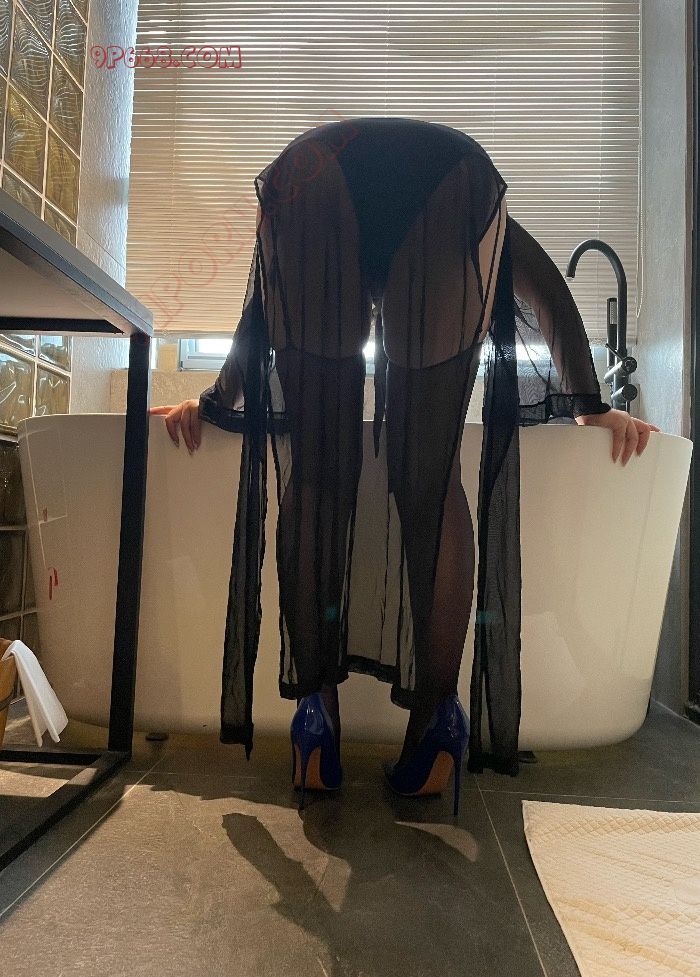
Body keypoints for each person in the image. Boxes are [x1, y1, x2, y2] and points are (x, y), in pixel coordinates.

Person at [150, 116, 659, 813]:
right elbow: (543, 283)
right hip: (453, 177)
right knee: (431, 479)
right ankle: (437, 718)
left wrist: (217, 398)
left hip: (311, 173)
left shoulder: (311, 206)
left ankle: (315, 715)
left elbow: (267, 301)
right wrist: (588, 405)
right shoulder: (467, 208)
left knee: (317, 474)